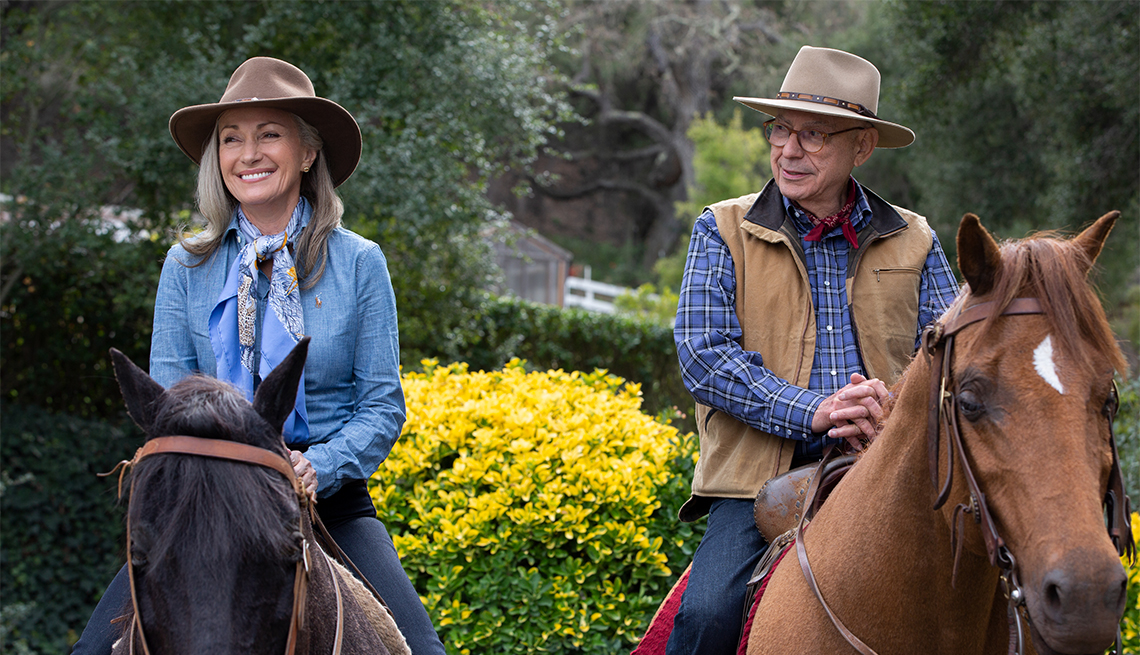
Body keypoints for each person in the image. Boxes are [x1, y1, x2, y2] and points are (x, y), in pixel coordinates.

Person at [73, 57, 445, 655]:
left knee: (422, 649)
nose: (249, 154)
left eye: (269, 134)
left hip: (326, 502)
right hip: (201, 507)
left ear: (308, 152)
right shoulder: (185, 265)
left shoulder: (360, 263)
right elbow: (167, 404)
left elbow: (382, 406)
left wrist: (319, 465)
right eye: (231, 139)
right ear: (217, 158)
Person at [666, 46, 960, 655]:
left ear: (862, 146)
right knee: (707, 614)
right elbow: (703, 355)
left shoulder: (917, 238)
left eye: (814, 135)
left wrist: (889, 408)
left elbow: (949, 363)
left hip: (889, 469)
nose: (789, 150)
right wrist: (816, 410)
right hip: (757, 482)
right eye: (780, 129)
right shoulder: (722, 227)